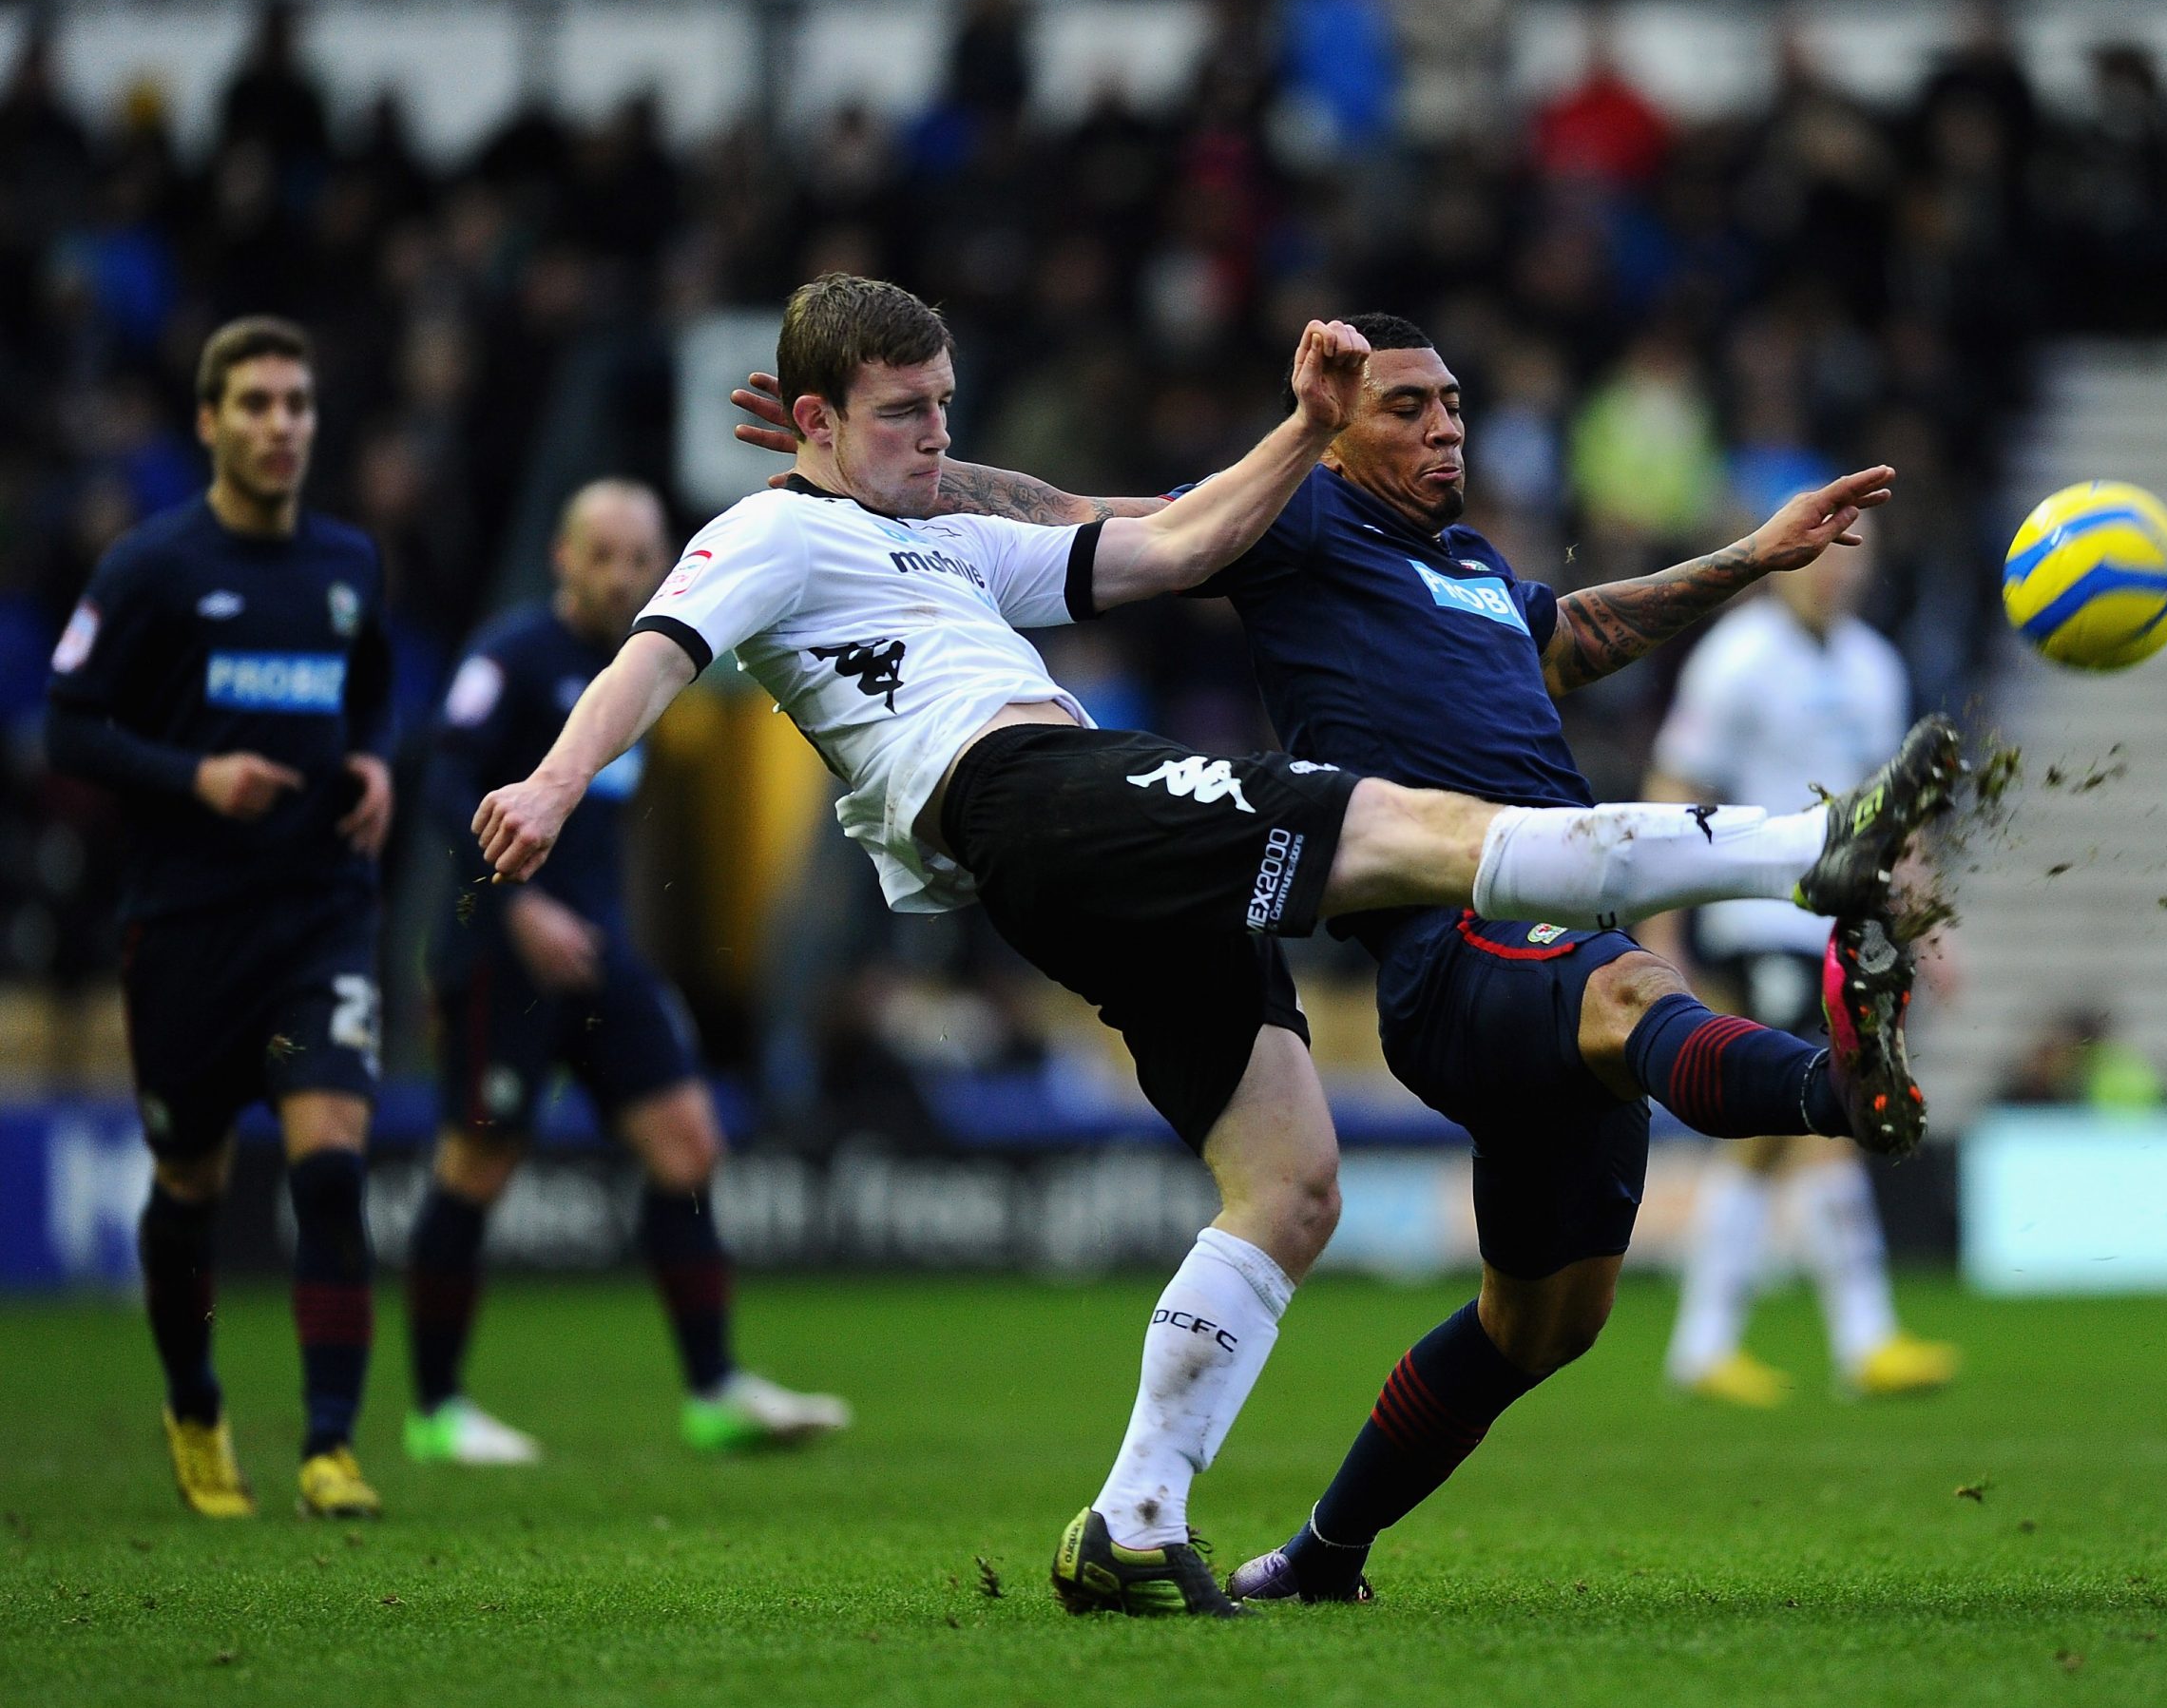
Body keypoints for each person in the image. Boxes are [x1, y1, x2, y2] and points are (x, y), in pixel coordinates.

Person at [726, 306, 1961, 1606]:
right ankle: (1840, 1080)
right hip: (1448, 936)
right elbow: (1070, 506)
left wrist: (1753, 556)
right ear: (1342, 432)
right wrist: (877, 470)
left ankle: (1320, 1555)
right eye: (1408, 408)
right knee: (1629, 993)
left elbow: (1571, 639)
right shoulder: (1301, 520)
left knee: (1545, 1323)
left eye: (1455, 406)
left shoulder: (1472, 565)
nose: (1445, 431)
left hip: (1548, 920)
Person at [404, 478, 850, 1467]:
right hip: (499, 951)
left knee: (687, 1143)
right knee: (477, 1165)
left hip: (600, 949)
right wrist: (518, 905)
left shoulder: (652, 663)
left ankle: (714, 1390)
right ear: (561, 557)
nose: (618, 573)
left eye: (637, 555)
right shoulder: (509, 657)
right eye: (598, 553)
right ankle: (435, 1409)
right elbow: (439, 783)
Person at [45, 317, 393, 1520]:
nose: (280, 425)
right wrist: (196, 778)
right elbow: (69, 726)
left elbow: (372, 699)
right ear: (209, 422)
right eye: (253, 405)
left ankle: (331, 1446)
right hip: (189, 923)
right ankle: (194, 1404)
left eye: (296, 404)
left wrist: (374, 766)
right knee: (188, 1180)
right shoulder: (149, 568)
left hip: (319, 914)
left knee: (334, 1168)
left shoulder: (349, 565)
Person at [1638, 531, 1962, 1408]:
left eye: (1853, 558)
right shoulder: (1736, 658)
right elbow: (1673, 788)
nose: (1838, 572)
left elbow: (1897, 813)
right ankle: (1829, 1338)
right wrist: (1664, 931)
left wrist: (1927, 928)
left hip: (1839, 927)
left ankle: (1763, 1343)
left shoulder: (1875, 665)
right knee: (1802, 1110)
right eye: (1824, 556)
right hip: (1752, 917)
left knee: (1799, 1123)